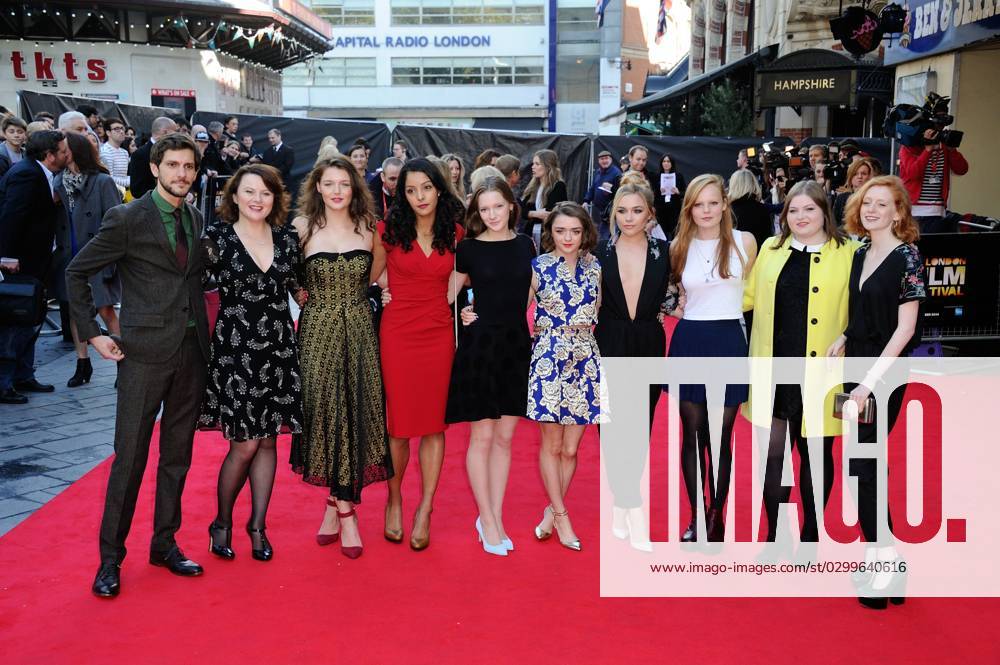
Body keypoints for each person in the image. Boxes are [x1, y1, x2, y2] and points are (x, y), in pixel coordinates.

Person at [66, 133, 210, 597]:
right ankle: (111, 559)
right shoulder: (127, 218)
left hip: (191, 355)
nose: (182, 174)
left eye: (189, 166)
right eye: (173, 165)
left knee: (177, 459)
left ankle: (164, 543)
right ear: (155, 168)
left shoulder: (195, 216)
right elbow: (76, 272)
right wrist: (94, 333)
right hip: (143, 354)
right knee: (129, 459)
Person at [742, 180, 859, 559]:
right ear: (784, 214)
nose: (801, 217)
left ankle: (810, 536)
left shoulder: (849, 253)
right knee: (773, 457)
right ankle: (777, 536)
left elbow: (866, 308)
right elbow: (743, 297)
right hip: (773, 372)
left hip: (824, 373)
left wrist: (846, 335)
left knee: (815, 458)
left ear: (825, 211)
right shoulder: (770, 250)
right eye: (793, 210)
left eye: (809, 209)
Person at [828, 175, 926, 609]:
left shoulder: (909, 257)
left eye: (882, 204)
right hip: (858, 364)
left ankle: (884, 560)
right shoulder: (862, 252)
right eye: (867, 202)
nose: (871, 210)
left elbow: (905, 329)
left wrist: (869, 384)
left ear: (898, 212)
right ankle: (885, 558)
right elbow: (863, 307)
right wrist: (846, 335)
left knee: (864, 466)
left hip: (884, 371)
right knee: (864, 465)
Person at [289, 156, 393, 560]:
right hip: (316, 333)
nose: (336, 191)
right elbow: (286, 272)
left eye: (343, 184)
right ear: (317, 187)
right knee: (325, 414)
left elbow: (378, 275)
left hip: (360, 331)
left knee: (355, 412)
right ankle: (346, 511)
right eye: (329, 183)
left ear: (354, 188)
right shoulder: (300, 228)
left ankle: (337, 506)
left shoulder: (369, 229)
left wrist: (379, 294)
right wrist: (299, 292)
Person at [201, 164, 303, 563]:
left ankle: (257, 526)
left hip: (278, 348)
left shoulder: (287, 238)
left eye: (265, 193)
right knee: (244, 444)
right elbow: (190, 283)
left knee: (268, 440)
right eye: (249, 192)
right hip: (236, 351)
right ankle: (222, 522)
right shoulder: (218, 239)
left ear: (275, 198)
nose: (257, 199)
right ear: (234, 196)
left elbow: (301, 288)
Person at [378, 158, 466, 551]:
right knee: (397, 426)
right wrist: (382, 290)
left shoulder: (457, 233)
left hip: (438, 332)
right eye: (410, 190)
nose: (419, 197)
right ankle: (395, 498)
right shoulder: (388, 231)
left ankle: (425, 507)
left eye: (425, 188)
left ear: (438, 188)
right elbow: (370, 274)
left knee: (433, 425)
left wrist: (465, 306)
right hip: (397, 332)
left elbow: (465, 280)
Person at [447, 177, 535, 556]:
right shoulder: (467, 249)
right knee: (482, 439)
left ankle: (493, 517)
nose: (492, 215)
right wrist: (462, 312)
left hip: (517, 347)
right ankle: (487, 518)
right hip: (481, 347)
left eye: (498, 206)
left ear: (511, 206)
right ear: (476, 213)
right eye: (484, 209)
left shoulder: (526, 245)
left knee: (505, 439)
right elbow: (446, 296)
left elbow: (533, 294)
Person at [668, 174, 757, 543]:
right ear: (690, 208)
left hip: (729, 340)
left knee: (720, 436)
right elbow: (671, 294)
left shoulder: (745, 242)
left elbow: (753, 292)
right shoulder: (678, 246)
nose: (705, 211)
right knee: (691, 435)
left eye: (712, 203)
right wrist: (672, 309)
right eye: (697, 204)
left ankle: (717, 514)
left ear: (724, 204)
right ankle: (696, 517)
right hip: (691, 338)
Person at [595, 182, 674, 552]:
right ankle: (630, 506)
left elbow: (683, 294)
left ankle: (623, 504)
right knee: (610, 430)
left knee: (639, 428)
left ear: (650, 214)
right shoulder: (597, 252)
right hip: (607, 342)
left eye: (637, 211)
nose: (629, 218)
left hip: (647, 342)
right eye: (622, 211)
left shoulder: (666, 253)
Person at [527, 202, 601, 552]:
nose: (568, 237)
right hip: (549, 358)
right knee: (552, 446)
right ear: (549, 233)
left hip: (585, 357)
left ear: (585, 232)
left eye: (575, 231)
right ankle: (560, 514)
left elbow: (601, 309)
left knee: (572, 449)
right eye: (560, 231)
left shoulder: (595, 267)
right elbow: (514, 308)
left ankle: (549, 514)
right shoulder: (537, 267)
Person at [0, 130, 70, 404]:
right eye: (63, 150)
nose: (67, 154)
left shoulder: (41, 173)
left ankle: (23, 374)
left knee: (31, 317)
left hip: (37, 260)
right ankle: (5, 381)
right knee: (15, 320)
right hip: (20, 262)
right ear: (49, 155)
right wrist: (6, 255)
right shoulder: (26, 174)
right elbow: (10, 216)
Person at [53, 132, 123, 388]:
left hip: (97, 255)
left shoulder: (102, 181)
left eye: (64, 148)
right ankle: (82, 363)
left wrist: (112, 259)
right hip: (69, 253)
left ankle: (122, 361)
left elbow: (116, 222)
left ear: (74, 151)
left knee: (105, 310)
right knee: (76, 309)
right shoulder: (58, 180)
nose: (60, 152)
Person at [899, 134, 968, 234]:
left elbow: (962, 169)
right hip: (914, 212)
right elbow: (913, 173)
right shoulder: (908, 147)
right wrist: (927, 150)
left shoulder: (944, 148)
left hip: (937, 211)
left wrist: (952, 150)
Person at [520, 149, 567, 248]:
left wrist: (531, 213)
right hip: (531, 232)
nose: (533, 167)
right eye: (533, 163)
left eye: (537, 164)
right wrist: (535, 213)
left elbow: (555, 212)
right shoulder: (533, 186)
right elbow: (522, 209)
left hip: (548, 235)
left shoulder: (558, 186)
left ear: (548, 166)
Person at [128, 116, 178, 198]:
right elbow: (137, 190)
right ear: (165, 132)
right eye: (174, 132)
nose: (176, 136)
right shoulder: (140, 154)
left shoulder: (173, 152)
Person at [728, 169, 773, 251]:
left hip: (734, 258)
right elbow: (767, 240)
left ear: (733, 185)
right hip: (759, 258)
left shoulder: (727, 210)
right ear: (753, 184)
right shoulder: (762, 209)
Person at [583, 149, 621, 242]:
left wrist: (610, 191)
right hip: (600, 212)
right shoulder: (598, 172)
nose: (604, 161)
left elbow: (621, 193)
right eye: (602, 159)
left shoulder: (616, 173)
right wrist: (586, 200)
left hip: (612, 212)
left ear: (611, 160)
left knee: (610, 236)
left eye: (606, 158)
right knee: (602, 236)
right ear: (599, 161)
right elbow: (593, 188)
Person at [832, 157, 880, 227]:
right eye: (855, 174)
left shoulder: (874, 198)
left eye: (863, 173)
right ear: (850, 177)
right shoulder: (841, 198)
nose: (859, 176)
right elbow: (834, 223)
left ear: (869, 177)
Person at [654, 152, 686, 237]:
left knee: (674, 232)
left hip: (674, 209)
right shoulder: (657, 176)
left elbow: (685, 193)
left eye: (668, 161)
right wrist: (659, 191)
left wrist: (678, 192)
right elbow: (653, 194)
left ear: (672, 163)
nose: (666, 163)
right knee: (662, 232)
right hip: (661, 210)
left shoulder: (679, 176)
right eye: (664, 161)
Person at [99, 118, 130, 189]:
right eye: (117, 129)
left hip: (123, 192)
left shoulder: (124, 152)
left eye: (122, 128)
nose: (122, 131)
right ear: (108, 133)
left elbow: (123, 176)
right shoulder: (105, 152)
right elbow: (109, 178)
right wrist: (132, 181)